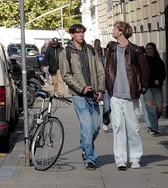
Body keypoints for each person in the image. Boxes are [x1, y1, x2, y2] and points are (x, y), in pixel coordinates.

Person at [60, 23, 108, 169]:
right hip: (79, 95)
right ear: (72, 35)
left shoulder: (91, 50)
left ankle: (84, 145)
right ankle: (90, 159)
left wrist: (100, 89)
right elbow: (66, 75)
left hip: (93, 94)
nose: (81, 35)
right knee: (87, 128)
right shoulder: (66, 52)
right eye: (78, 32)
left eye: (82, 32)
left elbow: (100, 71)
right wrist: (81, 88)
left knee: (95, 127)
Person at [102, 22, 150, 168]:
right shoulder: (112, 49)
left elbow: (145, 71)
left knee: (133, 128)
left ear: (121, 31)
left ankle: (135, 158)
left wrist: (142, 89)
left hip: (131, 95)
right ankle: (120, 159)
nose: (113, 30)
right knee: (117, 127)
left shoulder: (135, 50)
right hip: (115, 95)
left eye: (115, 29)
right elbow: (107, 69)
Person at [142, 42, 167, 132]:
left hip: (157, 87)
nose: (148, 50)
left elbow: (163, 73)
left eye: (150, 49)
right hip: (147, 87)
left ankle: (152, 123)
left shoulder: (159, 61)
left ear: (154, 50)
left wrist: (159, 80)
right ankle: (153, 128)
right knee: (151, 106)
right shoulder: (143, 61)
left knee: (159, 108)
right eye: (147, 48)